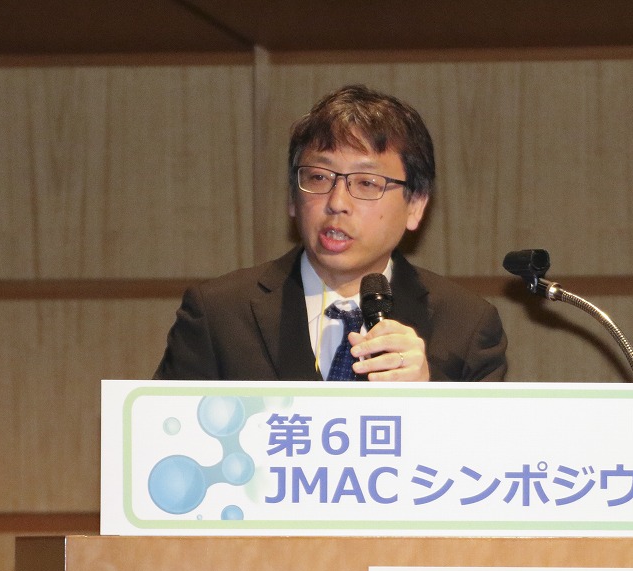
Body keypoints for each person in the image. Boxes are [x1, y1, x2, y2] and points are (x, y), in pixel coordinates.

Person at [154, 84, 507, 382]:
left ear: (415, 205)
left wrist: (429, 400)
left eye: (367, 183)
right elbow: (163, 437)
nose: (337, 202)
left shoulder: (466, 326)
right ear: (293, 197)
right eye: (319, 177)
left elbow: (486, 445)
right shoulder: (219, 314)